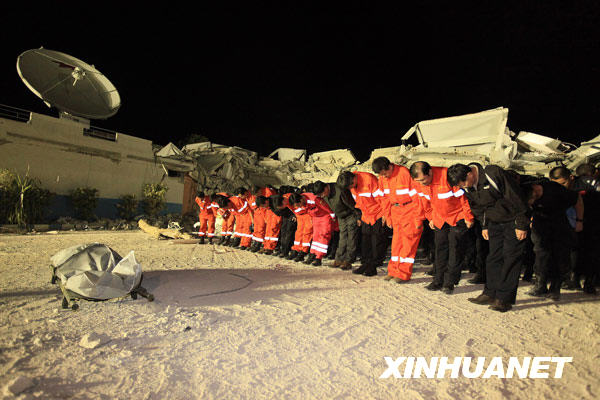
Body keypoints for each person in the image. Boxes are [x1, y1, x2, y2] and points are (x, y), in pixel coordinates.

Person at [447, 163, 530, 312]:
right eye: (460, 186)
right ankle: (490, 293)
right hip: (494, 223)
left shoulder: (493, 174)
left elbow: (516, 196)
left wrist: (522, 223)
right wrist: (484, 226)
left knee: (511, 258)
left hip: (513, 221)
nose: (464, 187)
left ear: (470, 174)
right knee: (493, 257)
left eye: (464, 183)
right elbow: (477, 208)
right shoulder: (467, 186)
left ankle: (504, 299)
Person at [410, 161, 474, 294]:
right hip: (439, 219)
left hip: (457, 217)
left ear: (431, 172)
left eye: (423, 179)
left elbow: (464, 199)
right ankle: (438, 280)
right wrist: (430, 218)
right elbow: (424, 202)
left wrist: (468, 217)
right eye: (418, 181)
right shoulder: (420, 184)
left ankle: (449, 282)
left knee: (455, 249)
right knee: (440, 249)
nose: (421, 183)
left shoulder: (448, 176)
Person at [524, 179, 583, 300]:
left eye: (533, 201)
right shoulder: (525, 190)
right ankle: (540, 285)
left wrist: (579, 221)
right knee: (540, 253)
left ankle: (555, 288)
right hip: (539, 223)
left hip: (559, 223)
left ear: (536, 190)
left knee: (559, 255)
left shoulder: (555, 189)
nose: (532, 203)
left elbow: (578, 200)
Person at [373, 157, 424, 283]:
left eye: (384, 173)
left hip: (410, 211)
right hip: (396, 212)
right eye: (381, 175)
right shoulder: (382, 178)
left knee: (408, 244)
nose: (384, 177)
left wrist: (418, 218)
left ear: (389, 166)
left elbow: (417, 197)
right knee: (396, 243)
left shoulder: (404, 173)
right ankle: (393, 271)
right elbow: (384, 198)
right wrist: (388, 216)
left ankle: (403, 274)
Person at [343, 170, 386, 277]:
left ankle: (374, 266)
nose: (350, 188)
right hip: (366, 215)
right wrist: (360, 216)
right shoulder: (351, 185)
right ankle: (365, 263)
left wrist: (385, 214)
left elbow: (382, 198)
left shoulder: (369, 179)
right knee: (366, 241)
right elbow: (358, 201)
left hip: (378, 213)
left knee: (377, 241)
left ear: (354, 179)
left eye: (350, 186)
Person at [326, 173, 360, 271]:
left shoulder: (340, 190)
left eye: (322, 194)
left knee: (351, 238)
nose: (322, 196)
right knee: (342, 237)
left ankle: (348, 261)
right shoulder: (325, 194)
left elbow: (352, 205)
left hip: (350, 215)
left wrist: (358, 217)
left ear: (326, 188)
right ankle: (339, 259)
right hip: (341, 217)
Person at [285, 192, 313, 262]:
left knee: (307, 232)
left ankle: (303, 251)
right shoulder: (288, 199)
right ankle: (296, 249)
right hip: (299, 216)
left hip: (308, 215)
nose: (296, 207)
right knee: (299, 233)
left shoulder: (310, 198)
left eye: (297, 205)